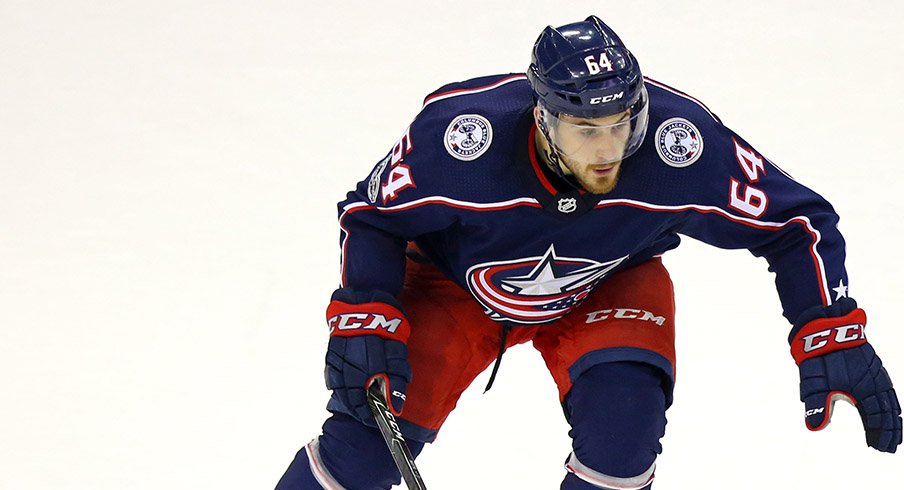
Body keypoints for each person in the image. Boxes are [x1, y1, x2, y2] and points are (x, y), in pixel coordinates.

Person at [276, 15, 901, 489]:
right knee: (363, 447)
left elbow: (797, 221)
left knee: (623, 434)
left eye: (622, 124)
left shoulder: (679, 145)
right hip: (452, 284)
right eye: (585, 130)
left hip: (607, 279)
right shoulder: (459, 139)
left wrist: (830, 328)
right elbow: (371, 215)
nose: (608, 149)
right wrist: (364, 313)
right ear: (543, 119)